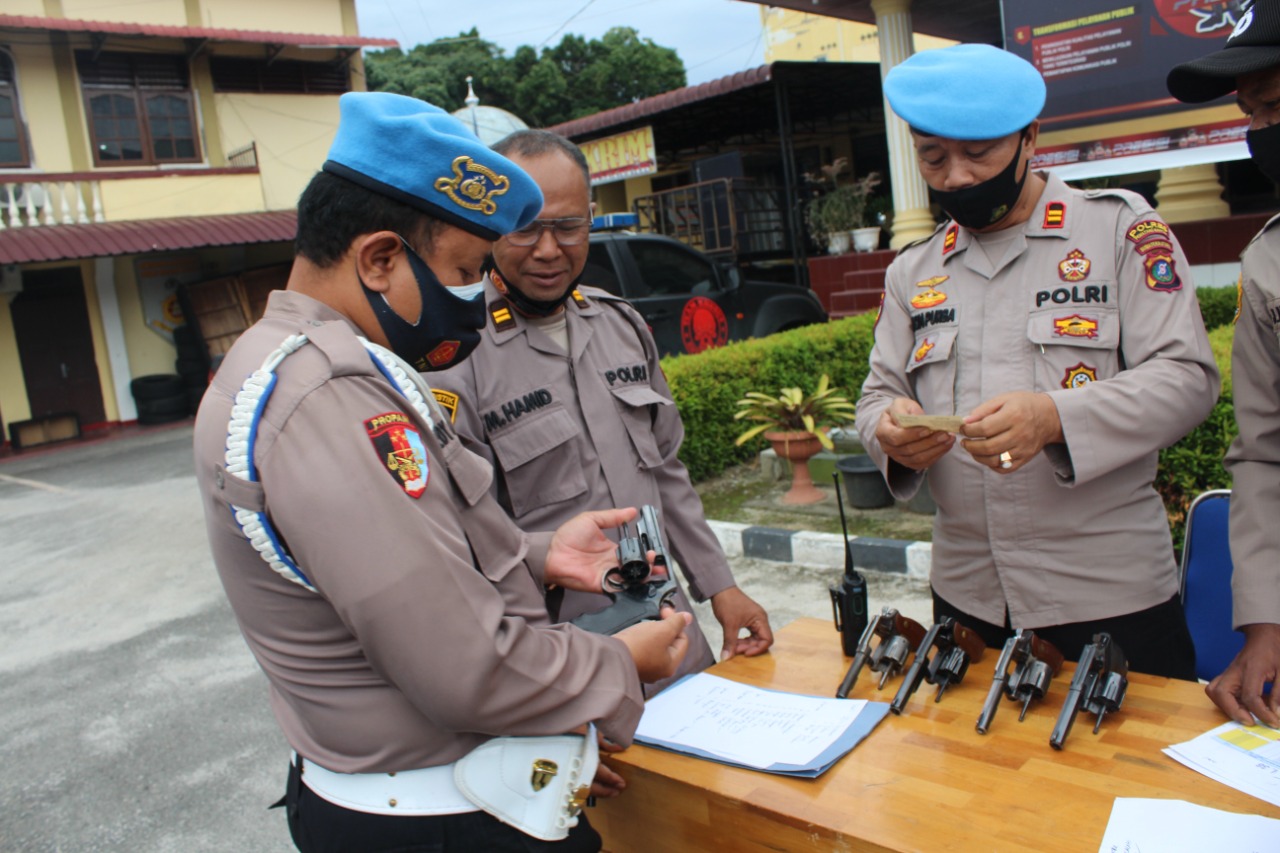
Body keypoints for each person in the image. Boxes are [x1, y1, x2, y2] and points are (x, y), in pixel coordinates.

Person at [193, 92, 692, 853]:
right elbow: (467, 667)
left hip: (440, 790)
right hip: (438, 818)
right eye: (464, 270)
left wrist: (537, 553)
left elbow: (395, 560)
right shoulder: (331, 397)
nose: (475, 294)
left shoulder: (300, 361)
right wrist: (620, 661)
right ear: (380, 258)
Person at [855, 44, 1220, 679]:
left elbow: (1187, 378)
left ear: (1031, 140)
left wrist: (1055, 418)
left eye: (979, 152)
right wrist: (889, 432)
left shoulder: (1118, 232)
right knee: (980, 776)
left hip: (1107, 596)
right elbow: (875, 396)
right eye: (932, 157)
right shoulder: (912, 270)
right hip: (968, 599)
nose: (958, 177)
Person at [431, 130, 772, 693]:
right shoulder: (455, 359)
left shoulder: (620, 326)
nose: (548, 249)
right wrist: (552, 699)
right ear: (490, 227)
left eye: (567, 227)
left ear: (591, 220)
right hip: (565, 654)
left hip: (669, 624)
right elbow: (468, 542)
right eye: (524, 227)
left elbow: (665, 471)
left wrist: (721, 587)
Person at [1168, 0, 1280, 725]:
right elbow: (1264, 454)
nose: (1262, 135)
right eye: (1253, 115)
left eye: (1274, 106)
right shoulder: (1269, 260)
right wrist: (1267, 621)